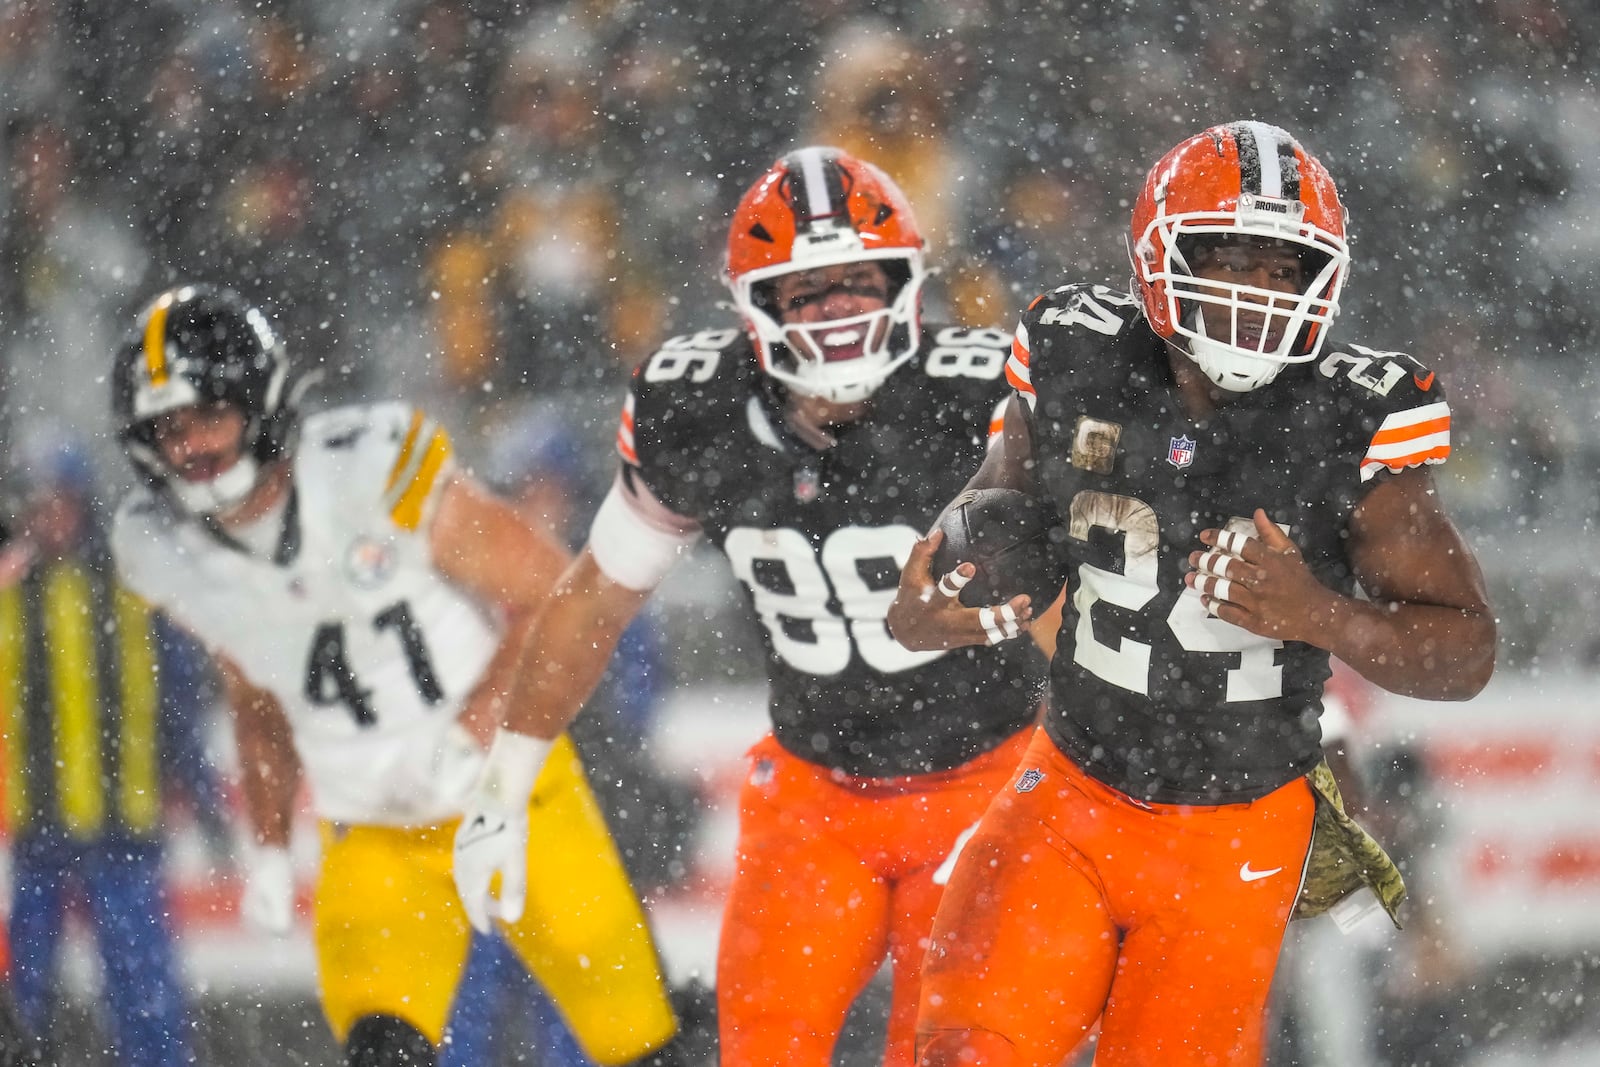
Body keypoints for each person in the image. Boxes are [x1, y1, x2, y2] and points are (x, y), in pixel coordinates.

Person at [884, 120, 1497, 1067]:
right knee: (965, 1050)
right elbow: (997, 500)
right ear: (1159, 253)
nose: (1256, 292)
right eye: (1231, 258)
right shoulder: (1074, 351)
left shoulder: (1350, 416)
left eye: (1282, 269)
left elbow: (1467, 650)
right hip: (1074, 787)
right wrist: (936, 582)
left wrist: (1319, 613)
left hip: (1238, 828)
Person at [452, 146, 1052, 1067]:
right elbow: (595, 598)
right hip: (815, 798)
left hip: (986, 781)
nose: (841, 308)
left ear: (910, 281)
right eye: (809, 290)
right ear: (753, 304)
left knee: (961, 1053)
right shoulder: (697, 406)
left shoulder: (977, 395)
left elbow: (1077, 598)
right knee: (763, 1047)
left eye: (860, 281)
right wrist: (508, 775)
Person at [106, 285, 680, 1067]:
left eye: (209, 414)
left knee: (643, 1044)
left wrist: (477, 723)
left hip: (518, 803)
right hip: (375, 832)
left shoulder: (368, 470)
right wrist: (270, 845)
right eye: (169, 429)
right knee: (384, 1050)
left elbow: (558, 595)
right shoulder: (162, 549)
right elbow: (254, 690)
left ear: (260, 400)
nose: (193, 446)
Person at [0, 437, 196, 1065]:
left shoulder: (130, 586)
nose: (50, 517)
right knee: (23, 995)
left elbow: (177, 696)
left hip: (125, 828)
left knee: (146, 997)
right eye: (38, 504)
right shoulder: (11, 593)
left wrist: (192, 778)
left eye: (60, 502)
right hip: (38, 831)